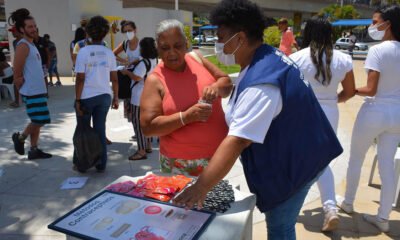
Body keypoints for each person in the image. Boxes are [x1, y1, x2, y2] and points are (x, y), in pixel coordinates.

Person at [172, 1, 343, 239]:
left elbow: (238, 140)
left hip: (295, 166)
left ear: (240, 38)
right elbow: (242, 91)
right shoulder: (265, 56)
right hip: (300, 153)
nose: (218, 44)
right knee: (282, 225)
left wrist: (200, 188)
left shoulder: (263, 82)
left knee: (280, 227)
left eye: (221, 38)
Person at [140, 19, 232, 176]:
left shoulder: (196, 58)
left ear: (186, 44)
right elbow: (148, 127)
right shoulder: (155, 80)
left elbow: (227, 82)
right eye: (165, 48)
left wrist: (215, 89)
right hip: (181, 163)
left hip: (219, 156)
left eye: (177, 46)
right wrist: (186, 117)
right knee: (185, 200)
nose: (171, 52)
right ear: (158, 49)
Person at [289, 17, 356, 232]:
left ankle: (292, 205)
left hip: (302, 112)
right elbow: (349, 91)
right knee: (322, 161)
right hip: (329, 111)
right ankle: (329, 208)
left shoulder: (296, 58)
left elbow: (287, 91)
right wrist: (332, 100)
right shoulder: (343, 59)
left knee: (298, 159)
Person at [337, 5, 400, 233]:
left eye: (375, 22)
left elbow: (371, 89)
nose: (372, 26)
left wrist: (349, 92)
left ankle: (348, 202)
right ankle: (383, 217)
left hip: (375, 111)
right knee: (387, 166)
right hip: (397, 115)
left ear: (387, 24)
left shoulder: (378, 50)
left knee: (356, 158)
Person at [74, 15, 119, 172]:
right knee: (100, 129)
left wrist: (78, 100)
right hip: (104, 96)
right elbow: (114, 78)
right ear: (105, 33)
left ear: (87, 32)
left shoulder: (83, 52)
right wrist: (116, 97)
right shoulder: (109, 53)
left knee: (83, 129)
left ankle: (82, 163)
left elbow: (80, 79)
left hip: (86, 97)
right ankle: (101, 163)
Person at [10, 8, 52, 160]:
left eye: (34, 26)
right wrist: (22, 88)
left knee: (37, 119)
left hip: (37, 90)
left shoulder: (31, 44)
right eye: (30, 27)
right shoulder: (23, 45)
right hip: (31, 91)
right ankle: (20, 138)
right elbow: (17, 71)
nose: (34, 29)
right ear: (22, 29)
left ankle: (34, 150)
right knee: (40, 119)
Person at [119, 37, 158, 160]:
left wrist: (126, 72)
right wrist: (134, 62)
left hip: (138, 97)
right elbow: (140, 62)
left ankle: (141, 151)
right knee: (146, 123)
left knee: (138, 123)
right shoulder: (154, 60)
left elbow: (136, 77)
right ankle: (148, 145)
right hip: (149, 95)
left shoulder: (143, 63)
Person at [113, 20, 141, 125]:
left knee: (141, 103)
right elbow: (113, 53)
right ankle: (136, 128)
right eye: (125, 31)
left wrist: (134, 61)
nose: (128, 33)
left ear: (135, 30)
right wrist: (124, 61)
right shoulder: (125, 44)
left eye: (130, 30)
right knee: (130, 102)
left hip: (140, 76)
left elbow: (147, 58)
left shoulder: (142, 44)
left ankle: (143, 130)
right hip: (128, 77)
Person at [7, 26, 21, 107]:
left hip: (25, 65)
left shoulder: (25, 40)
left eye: (14, 31)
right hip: (19, 64)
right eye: (11, 31)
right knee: (16, 82)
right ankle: (16, 101)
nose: (12, 33)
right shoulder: (14, 42)